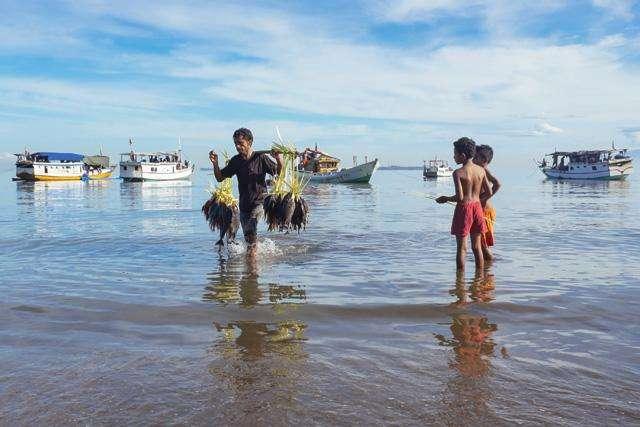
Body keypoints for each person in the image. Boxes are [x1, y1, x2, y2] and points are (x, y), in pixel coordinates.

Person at [209, 128, 283, 258]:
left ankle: (251, 265)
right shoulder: (236, 161)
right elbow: (220, 178)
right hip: (244, 205)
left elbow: (278, 172)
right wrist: (215, 164)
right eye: (235, 144)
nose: (238, 146)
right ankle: (253, 263)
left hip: (260, 202)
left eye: (241, 143)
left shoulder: (260, 158)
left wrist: (279, 159)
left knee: (251, 232)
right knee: (249, 240)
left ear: (249, 142)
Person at [436, 137, 492, 271]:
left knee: (462, 248)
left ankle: (460, 280)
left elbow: (460, 197)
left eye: (455, 154)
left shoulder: (458, 173)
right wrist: (477, 201)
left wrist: (445, 198)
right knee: (477, 247)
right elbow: (489, 192)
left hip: (464, 210)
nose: (453, 157)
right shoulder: (481, 170)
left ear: (462, 155)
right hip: (477, 208)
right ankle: (480, 277)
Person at [473, 145, 500, 262]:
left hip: (486, 211)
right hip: (481, 209)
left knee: (483, 244)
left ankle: (489, 267)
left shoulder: (484, 170)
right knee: (481, 243)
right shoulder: (477, 170)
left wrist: (483, 199)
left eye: (476, 158)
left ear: (484, 160)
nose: (473, 160)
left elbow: (497, 184)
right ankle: (485, 268)